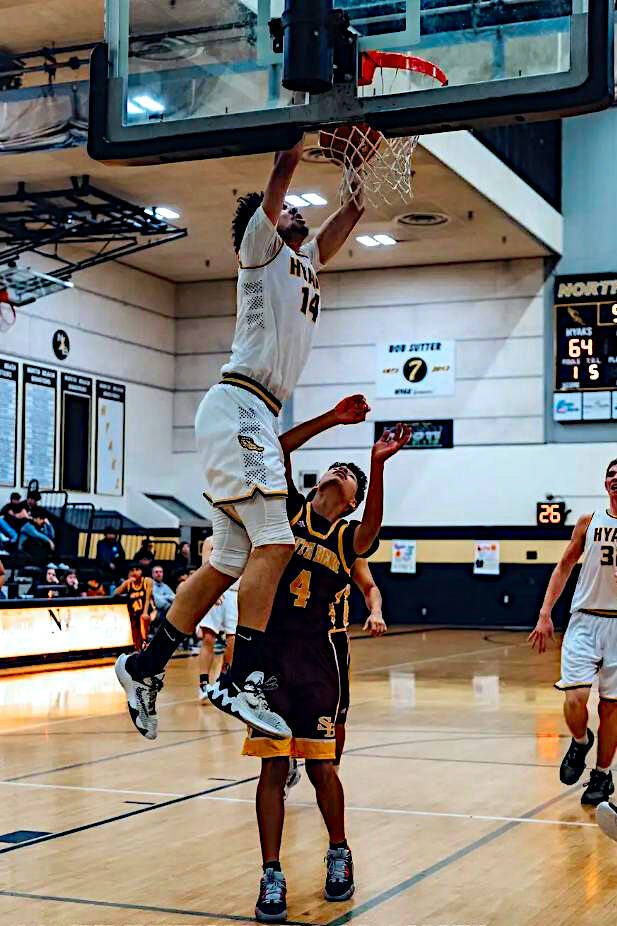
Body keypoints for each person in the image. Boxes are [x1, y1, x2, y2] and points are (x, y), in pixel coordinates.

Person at [115, 139, 366, 741]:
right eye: (285, 211)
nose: (296, 213)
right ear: (264, 223)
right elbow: (282, 169)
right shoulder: (259, 246)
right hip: (239, 404)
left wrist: (359, 163)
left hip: (253, 410)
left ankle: (144, 665)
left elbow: (351, 214)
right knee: (276, 542)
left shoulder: (304, 263)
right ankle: (242, 677)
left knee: (229, 560)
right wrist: (305, 128)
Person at [246, 411, 409, 922]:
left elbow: (373, 527)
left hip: (318, 659)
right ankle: (271, 872)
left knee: (321, 765)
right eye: (335, 467)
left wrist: (375, 466)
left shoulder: (345, 539)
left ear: (352, 500)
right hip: (270, 652)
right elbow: (277, 448)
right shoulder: (288, 512)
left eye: (349, 475)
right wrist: (334, 420)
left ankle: (339, 851)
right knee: (274, 764)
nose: (339, 471)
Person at [530, 457, 617, 810]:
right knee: (575, 698)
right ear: (605, 484)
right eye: (611, 474)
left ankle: (602, 773)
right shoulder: (588, 521)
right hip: (584, 619)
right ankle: (580, 741)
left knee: (612, 707)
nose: (616, 478)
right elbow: (565, 565)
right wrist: (545, 612)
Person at [197, 538, 239, 702]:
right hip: (215, 592)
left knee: (233, 640)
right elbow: (205, 568)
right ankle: (203, 684)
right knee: (208, 638)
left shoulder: (246, 538)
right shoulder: (210, 541)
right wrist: (212, 589)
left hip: (235, 593)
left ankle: (223, 681)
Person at [114, 564, 154, 652]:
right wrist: (125, 582)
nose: (134, 572)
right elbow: (115, 593)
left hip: (150, 610)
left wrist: (145, 612)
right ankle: (138, 648)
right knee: (132, 624)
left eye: (137, 569)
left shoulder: (147, 581)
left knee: (142, 619)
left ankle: (146, 643)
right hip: (135, 613)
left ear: (142, 571)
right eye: (132, 570)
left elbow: (148, 598)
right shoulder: (128, 583)